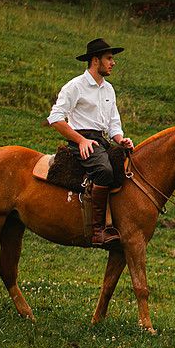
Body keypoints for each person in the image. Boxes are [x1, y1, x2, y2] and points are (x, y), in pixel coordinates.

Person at [46, 38, 134, 247]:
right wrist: (80, 140)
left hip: (101, 142)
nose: (113, 63)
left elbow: (113, 124)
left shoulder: (109, 89)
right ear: (95, 60)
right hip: (81, 141)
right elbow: (55, 118)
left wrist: (121, 140)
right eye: (109, 58)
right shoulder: (75, 86)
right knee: (104, 170)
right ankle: (97, 231)